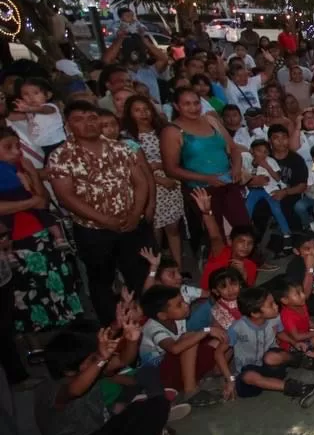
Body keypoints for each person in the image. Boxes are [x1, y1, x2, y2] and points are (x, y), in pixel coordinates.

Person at [47, 100, 153, 323]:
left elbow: (140, 181)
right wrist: (104, 219)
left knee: (139, 274)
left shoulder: (120, 148)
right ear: (68, 125)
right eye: (79, 119)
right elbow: (66, 197)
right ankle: (111, 328)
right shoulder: (61, 156)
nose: (88, 124)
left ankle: (147, 323)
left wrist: (136, 214)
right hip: (93, 230)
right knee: (101, 280)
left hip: (132, 224)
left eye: (92, 118)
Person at [160, 87, 251, 230]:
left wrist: (236, 168)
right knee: (216, 233)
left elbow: (233, 148)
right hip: (201, 191)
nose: (193, 108)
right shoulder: (172, 131)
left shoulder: (211, 121)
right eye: (187, 104)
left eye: (196, 103)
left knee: (243, 229)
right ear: (176, 106)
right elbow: (170, 169)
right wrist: (206, 178)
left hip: (228, 184)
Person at [139, 285, 233, 406]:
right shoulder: (152, 328)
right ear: (162, 315)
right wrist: (207, 330)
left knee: (223, 339)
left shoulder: (178, 318)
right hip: (159, 376)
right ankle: (190, 391)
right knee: (189, 338)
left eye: (183, 301)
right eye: (179, 305)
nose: (185, 305)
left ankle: (211, 375)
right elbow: (175, 349)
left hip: (178, 368)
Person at [226, 286, 314, 406]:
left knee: (270, 357)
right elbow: (219, 353)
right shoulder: (237, 328)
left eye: (274, 302)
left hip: (273, 367)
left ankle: (301, 360)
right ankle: (300, 389)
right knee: (248, 376)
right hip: (250, 374)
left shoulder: (275, 318)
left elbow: (280, 333)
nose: (276, 306)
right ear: (255, 313)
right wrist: (229, 379)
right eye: (271, 305)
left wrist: (294, 343)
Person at [121, 96, 184, 267]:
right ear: (129, 114)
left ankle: (178, 268)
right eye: (137, 110)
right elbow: (133, 168)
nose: (143, 113)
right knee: (154, 231)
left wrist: (161, 166)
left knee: (173, 228)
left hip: (171, 183)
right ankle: (158, 270)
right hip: (149, 187)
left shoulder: (163, 131)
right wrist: (158, 178)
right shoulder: (128, 138)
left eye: (146, 109)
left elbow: (177, 156)